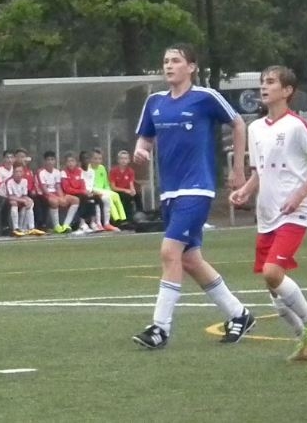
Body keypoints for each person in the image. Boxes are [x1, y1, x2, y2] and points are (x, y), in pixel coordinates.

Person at [131, 43, 255, 349]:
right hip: (169, 192)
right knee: (189, 259)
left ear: (191, 67)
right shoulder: (155, 102)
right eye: (166, 61)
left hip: (197, 188)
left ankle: (160, 328)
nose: (169, 65)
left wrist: (238, 169)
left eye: (175, 60)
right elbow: (145, 139)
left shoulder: (205, 97)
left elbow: (238, 123)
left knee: (169, 252)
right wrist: (141, 150)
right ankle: (239, 314)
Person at [228, 65, 307, 361]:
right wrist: (246, 190)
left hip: (294, 212)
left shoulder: (297, 126)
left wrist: (300, 194)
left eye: (271, 82)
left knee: (273, 272)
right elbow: (259, 171)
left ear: (287, 91)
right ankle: (303, 339)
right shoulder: (255, 128)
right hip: (267, 214)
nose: (264, 86)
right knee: (272, 285)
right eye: (263, 81)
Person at [37, 150, 79, 233]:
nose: (50, 162)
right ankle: (56, 226)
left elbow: (58, 186)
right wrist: (56, 198)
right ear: (45, 161)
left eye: (52, 159)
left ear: (55, 161)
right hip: (46, 195)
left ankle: (66, 225)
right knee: (54, 201)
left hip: (56, 194)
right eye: (48, 160)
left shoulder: (57, 172)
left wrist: (61, 197)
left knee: (75, 200)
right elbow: (44, 189)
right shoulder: (41, 172)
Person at [4, 164, 44, 237]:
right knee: (14, 203)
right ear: (13, 172)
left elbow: (24, 195)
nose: (19, 174)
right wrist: (23, 200)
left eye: (20, 171)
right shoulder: (9, 182)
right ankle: (15, 228)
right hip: (8, 202)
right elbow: (10, 197)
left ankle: (31, 228)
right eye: (16, 172)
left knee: (30, 202)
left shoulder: (24, 181)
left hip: (20, 199)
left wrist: (27, 200)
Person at [91, 149, 123, 230]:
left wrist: (108, 190)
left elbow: (106, 184)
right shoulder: (88, 169)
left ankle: (108, 223)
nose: (97, 161)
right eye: (95, 158)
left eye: (99, 159)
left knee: (110, 197)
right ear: (91, 159)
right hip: (93, 191)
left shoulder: (102, 168)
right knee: (108, 196)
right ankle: (115, 219)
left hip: (103, 192)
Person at [109, 150, 142, 221]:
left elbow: (131, 184)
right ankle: (126, 218)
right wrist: (125, 190)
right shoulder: (113, 171)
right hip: (117, 191)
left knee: (137, 195)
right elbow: (113, 187)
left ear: (128, 160)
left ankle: (140, 215)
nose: (123, 160)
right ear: (118, 160)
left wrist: (132, 190)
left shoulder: (130, 171)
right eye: (121, 158)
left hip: (127, 191)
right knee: (126, 197)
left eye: (125, 158)